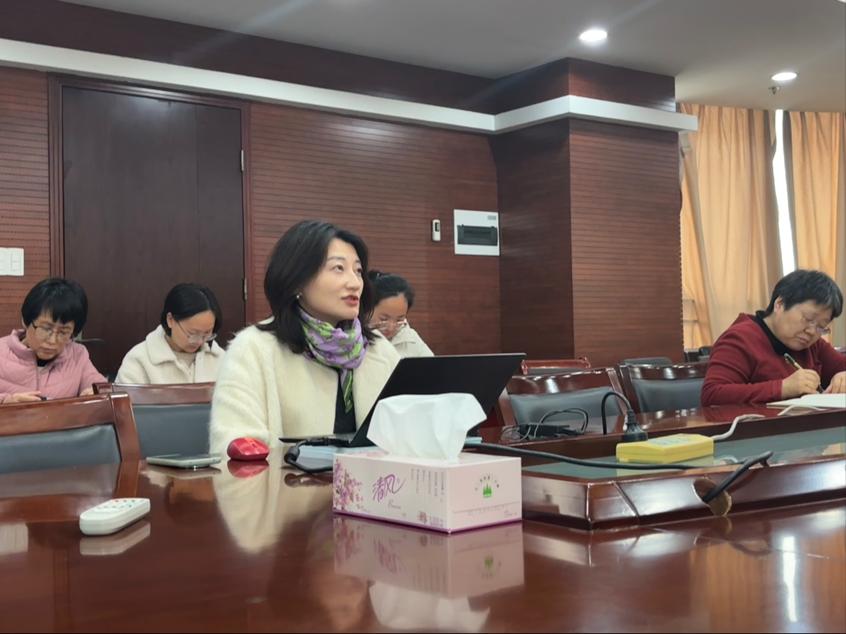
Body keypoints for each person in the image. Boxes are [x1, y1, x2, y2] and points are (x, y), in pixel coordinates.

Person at [209, 220, 400, 455]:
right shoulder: (253, 349)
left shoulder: (379, 349)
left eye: (358, 271)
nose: (354, 283)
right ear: (297, 280)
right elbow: (235, 444)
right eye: (338, 268)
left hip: (376, 478)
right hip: (285, 479)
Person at [701, 269, 846, 406]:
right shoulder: (740, 339)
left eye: (821, 326)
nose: (812, 331)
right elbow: (712, 394)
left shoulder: (813, 344)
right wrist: (783, 388)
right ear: (779, 304)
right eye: (808, 319)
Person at [0, 278, 106, 403]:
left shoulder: (77, 354)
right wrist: (6, 401)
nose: (52, 340)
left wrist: (96, 392)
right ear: (25, 321)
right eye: (45, 329)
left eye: (63, 332)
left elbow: (100, 386)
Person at [116, 283, 224, 384]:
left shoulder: (221, 358)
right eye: (192, 333)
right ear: (170, 320)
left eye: (207, 334)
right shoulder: (139, 360)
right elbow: (125, 397)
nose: (199, 341)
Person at [368, 271, 433, 358]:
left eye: (399, 320)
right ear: (368, 308)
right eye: (384, 319)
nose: (391, 328)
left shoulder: (409, 337)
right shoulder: (355, 338)